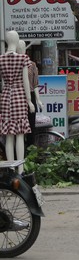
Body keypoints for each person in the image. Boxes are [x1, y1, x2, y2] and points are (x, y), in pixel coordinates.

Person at [0, 31, 34, 173]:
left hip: (6, 96)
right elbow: (26, 82)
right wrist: (29, 101)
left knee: (8, 134)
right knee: (20, 133)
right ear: (17, 40)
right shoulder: (23, 58)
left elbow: (2, 82)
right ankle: (20, 170)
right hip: (19, 95)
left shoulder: (0, 59)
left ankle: (10, 169)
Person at [17, 39, 43, 150]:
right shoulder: (14, 64)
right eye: (19, 47)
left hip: (30, 96)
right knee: (18, 127)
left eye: (23, 47)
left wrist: (38, 99)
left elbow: (35, 84)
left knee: (31, 125)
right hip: (17, 96)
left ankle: (30, 150)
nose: (21, 50)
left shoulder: (32, 65)